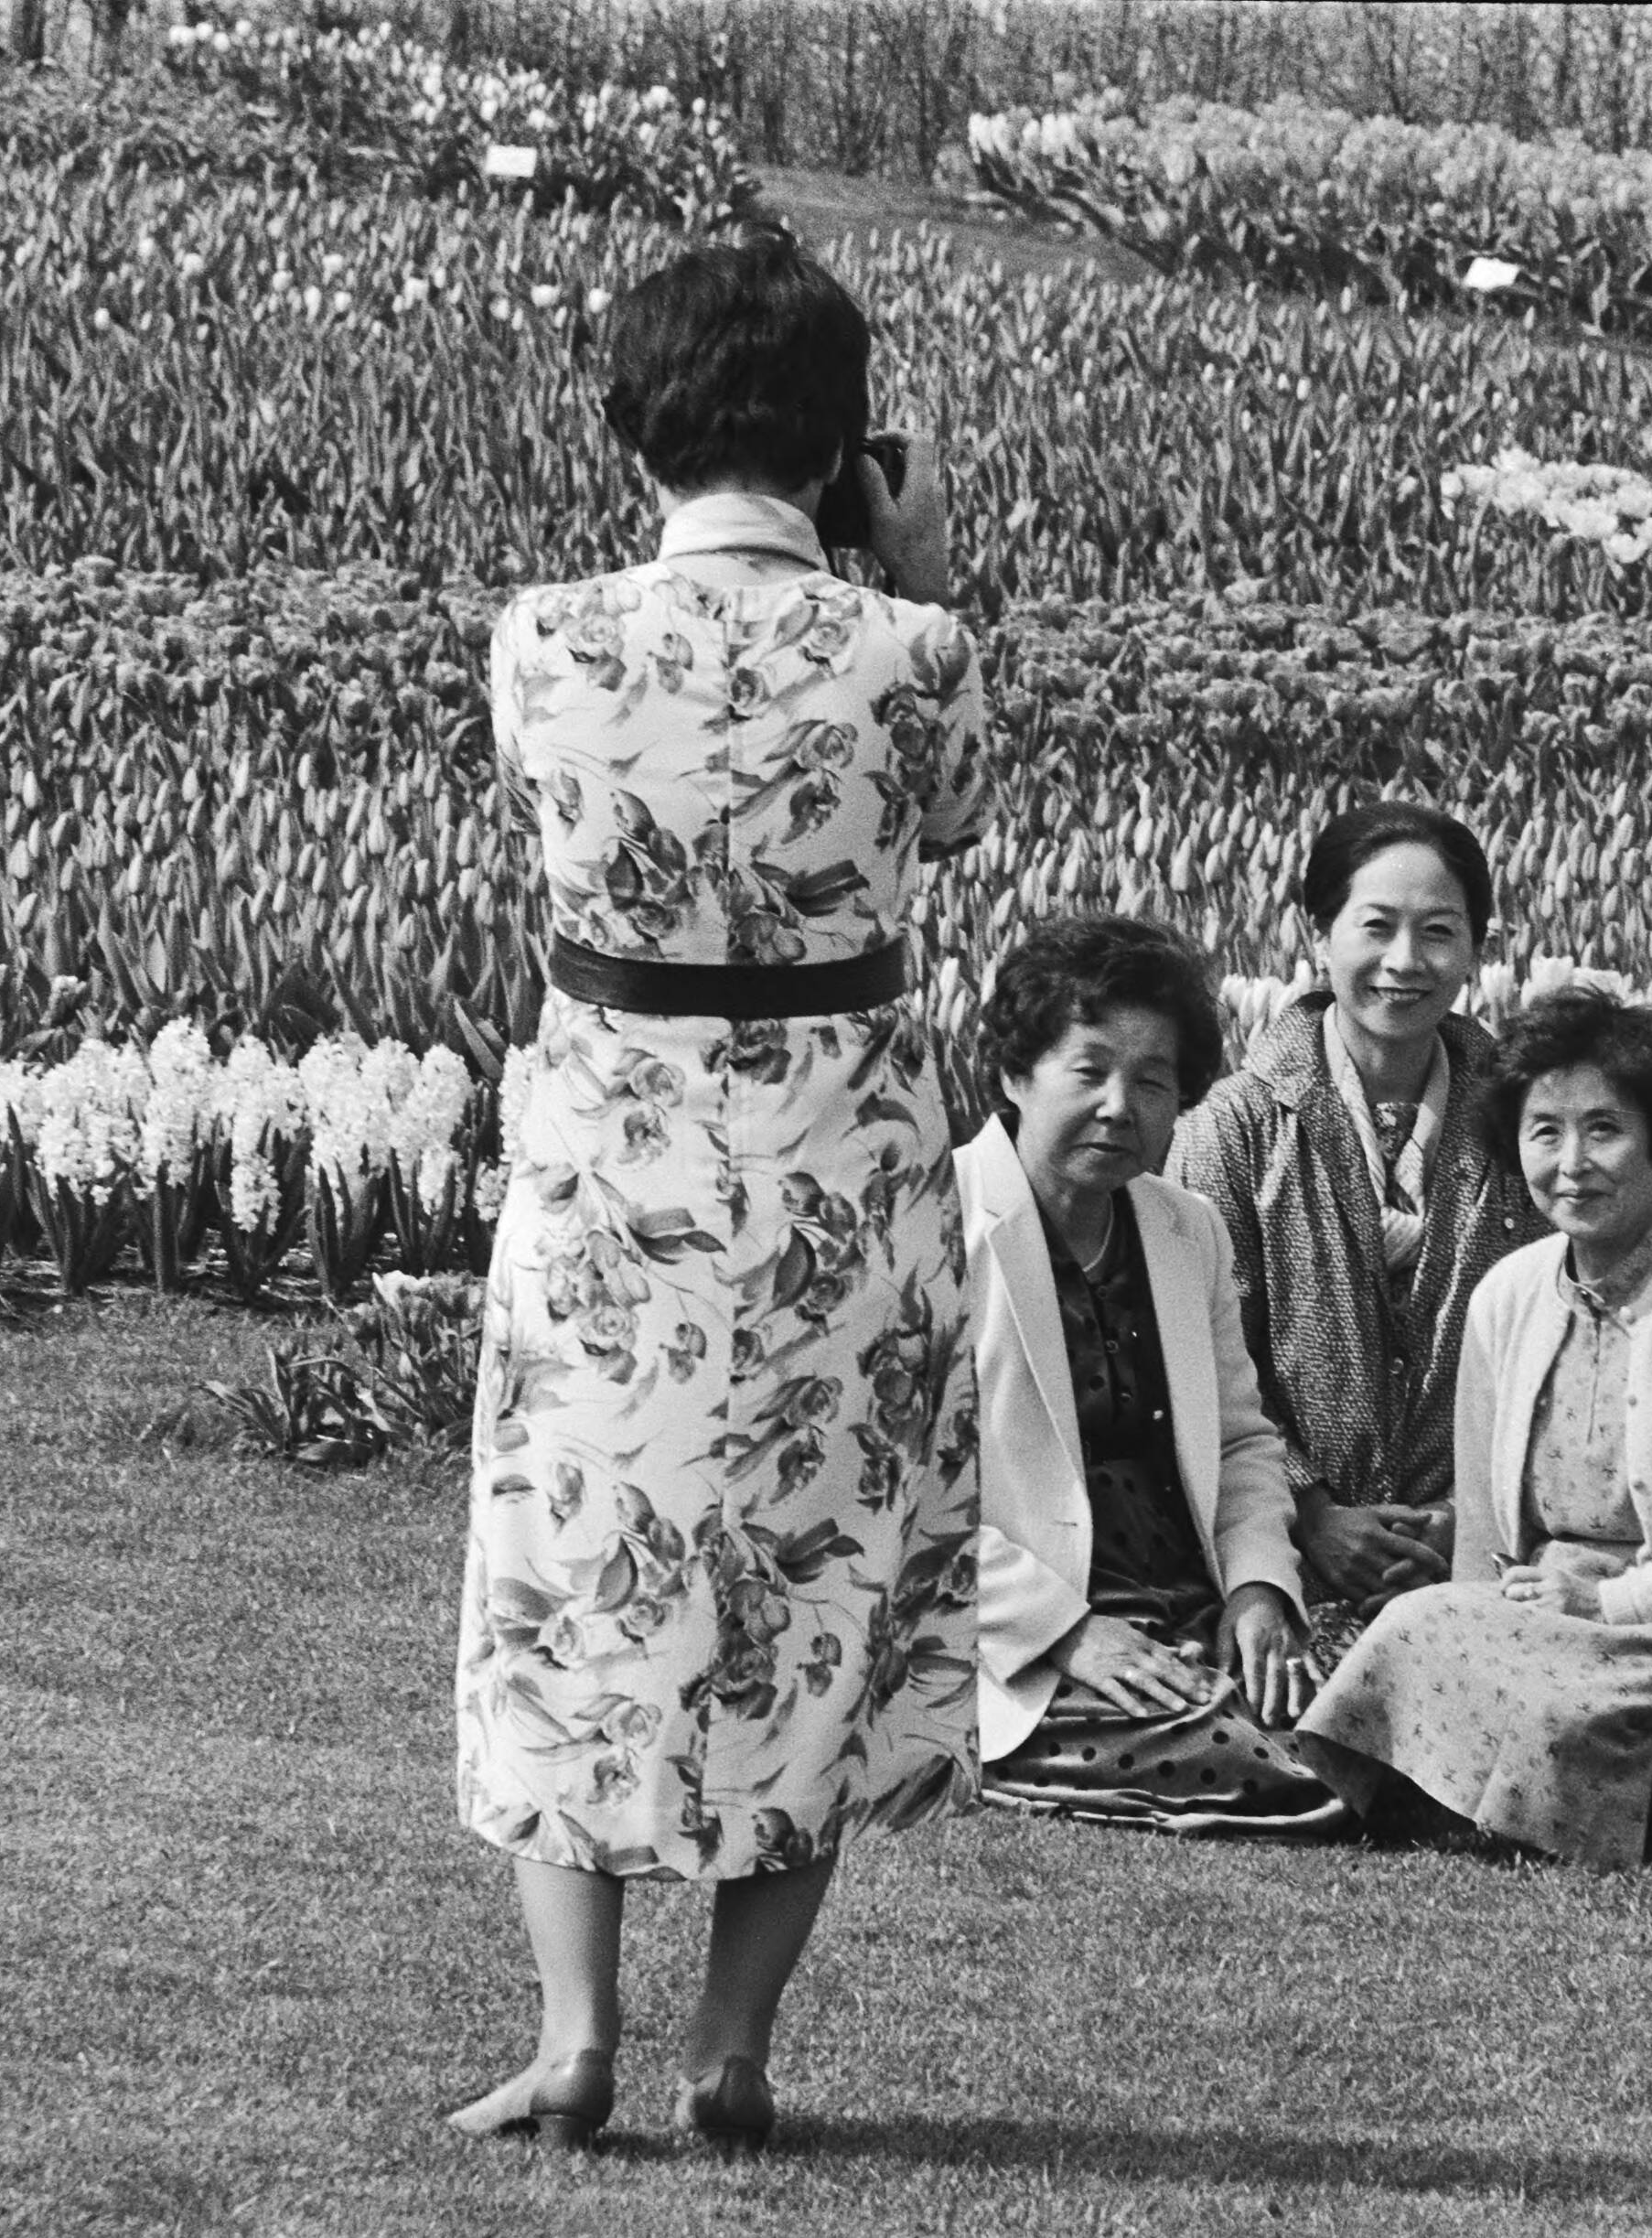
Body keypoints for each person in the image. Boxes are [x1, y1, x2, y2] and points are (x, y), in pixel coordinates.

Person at [449, 234, 982, 2155]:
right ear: (848, 439)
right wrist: (911, 578)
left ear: (633, 425)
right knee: (818, 1579)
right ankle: (728, 2045)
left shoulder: (546, 637)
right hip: (845, 1152)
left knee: (576, 1565)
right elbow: (953, 820)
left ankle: (577, 2030)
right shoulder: (915, 655)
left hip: (615, 1148)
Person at [1296, 987, 1652, 1873]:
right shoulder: (1508, 1294)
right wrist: (1482, 1606)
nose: (1571, 1163)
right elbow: (1485, 1520)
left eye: (1604, 1129)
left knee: (1551, 1719)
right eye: (1543, 1131)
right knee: (1409, 1631)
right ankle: (1632, 1794)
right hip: (1564, 1614)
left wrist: (1613, 1602)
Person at [960, 914, 1345, 1836]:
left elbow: (1242, 1439)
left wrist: (1259, 1588)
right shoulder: (934, 1229)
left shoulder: (1185, 1228)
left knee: (1352, 1704)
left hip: (1185, 1602)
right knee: (1254, 1753)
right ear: (1016, 1074)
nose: (1117, 1105)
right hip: (1027, 1624)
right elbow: (894, 1497)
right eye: (1087, 1070)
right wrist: (1066, 1630)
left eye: (1152, 1081)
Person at [1168, 803, 1544, 1672]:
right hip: (1281, 1550)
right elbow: (1206, 1360)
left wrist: (1470, 1517)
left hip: (1482, 1553)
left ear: (1477, 948)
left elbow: (1558, 1342)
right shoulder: (1233, 1127)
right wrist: (1310, 1513)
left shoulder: (1523, 1120)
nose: (1406, 963)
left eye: (1440, 932)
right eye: (1376, 928)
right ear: (1318, 933)